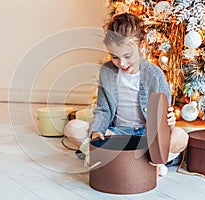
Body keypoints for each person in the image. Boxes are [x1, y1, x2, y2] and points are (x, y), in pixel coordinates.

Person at [64, 13, 188, 175]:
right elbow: (103, 109)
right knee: (72, 128)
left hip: (147, 136)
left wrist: (169, 122)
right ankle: (139, 162)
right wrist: (98, 131)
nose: (121, 63)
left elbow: (163, 115)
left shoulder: (155, 74)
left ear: (141, 46)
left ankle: (147, 160)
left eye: (127, 56)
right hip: (117, 135)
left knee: (180, 136)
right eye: (115, 57)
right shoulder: (107, 72)